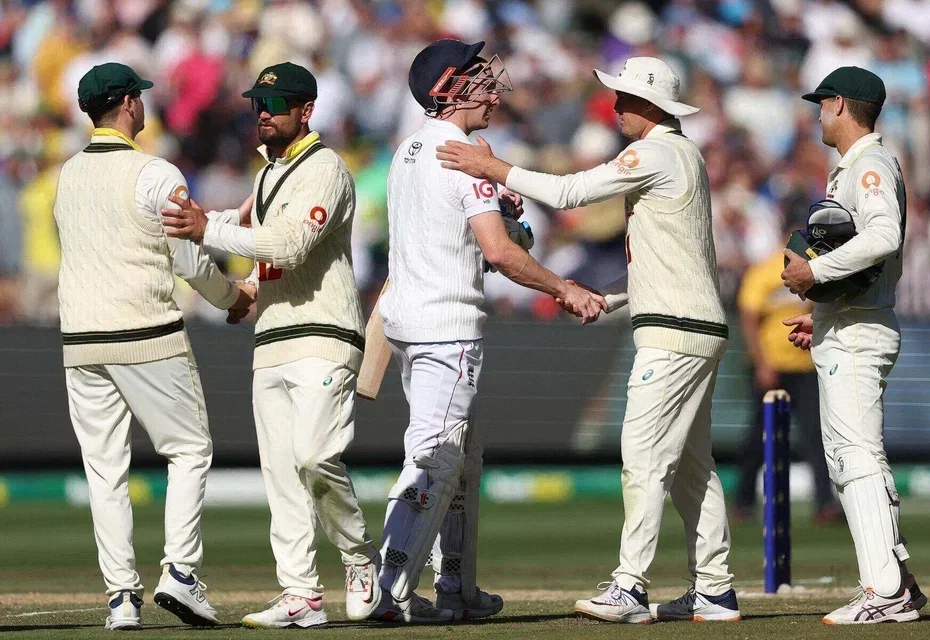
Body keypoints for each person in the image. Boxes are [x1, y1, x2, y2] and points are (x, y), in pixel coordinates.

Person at [437, 56, 740, 624]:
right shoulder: (684, 155)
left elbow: (573, 192)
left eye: (624, 98)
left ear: (650, 106)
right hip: (690, 321)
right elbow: (672, 259)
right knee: (694, 466)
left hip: (674, 333)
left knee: (643, 458)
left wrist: (494, 167)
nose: (615, 106)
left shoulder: (655, 151)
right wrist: (611, 299)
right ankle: (715, 590)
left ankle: (630, 586)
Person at [374, 38, 605, 623]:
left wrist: (504, 208)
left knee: (461, 462)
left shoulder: (408, 150)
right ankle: (389, 589)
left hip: (412, 321)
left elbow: (493, 237)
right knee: (436, 459)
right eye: (477, 74)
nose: (492, 83)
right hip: (446, 327)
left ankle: (457, 588)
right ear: (448, 89)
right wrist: (567, 289)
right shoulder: (463, 155)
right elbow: (501, 255)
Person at [162, 62, 381, 629]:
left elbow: (289, 246)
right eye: (257, 102)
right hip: (272, 338)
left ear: (305, 111)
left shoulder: (326, 169)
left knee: (314, 456)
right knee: (283, 474)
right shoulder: (265, 177)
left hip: (326, 333)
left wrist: (204, 229)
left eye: (275, 103)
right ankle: (301, 594)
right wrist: (243, 287)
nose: (263, 112)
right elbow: (266, 261)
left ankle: (359, 558)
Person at [54, 62, 254, 631]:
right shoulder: (155, 172)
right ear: (126, 105)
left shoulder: (66, 173)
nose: (145, 105)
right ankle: (182, 575)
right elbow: (188, 260)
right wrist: (232, 298)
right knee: (189, 451)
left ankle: (121, 598)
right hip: (146, 334)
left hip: (81, 341)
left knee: (104, 470)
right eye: (138, 98)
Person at [781, 66, 927, 624]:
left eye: (822, 103)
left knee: (857, 458)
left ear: (840, 104)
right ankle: (900, 584)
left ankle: (885, 593)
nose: (818, 112)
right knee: (848, 460)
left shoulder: (867, 165)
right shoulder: (857, 165)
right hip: (848, 324)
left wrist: (814, 276)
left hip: (861, 331)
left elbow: (884, 236)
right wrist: (820, 314)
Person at [735, 219, 841, 526]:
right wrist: (762, 363)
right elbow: (749, 320)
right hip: (772, 368)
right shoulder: (765, 270)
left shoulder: (814, 269)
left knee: (815, 436)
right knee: (759, 438)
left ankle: (824, 504)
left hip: (806, 368)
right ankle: (742, 503)